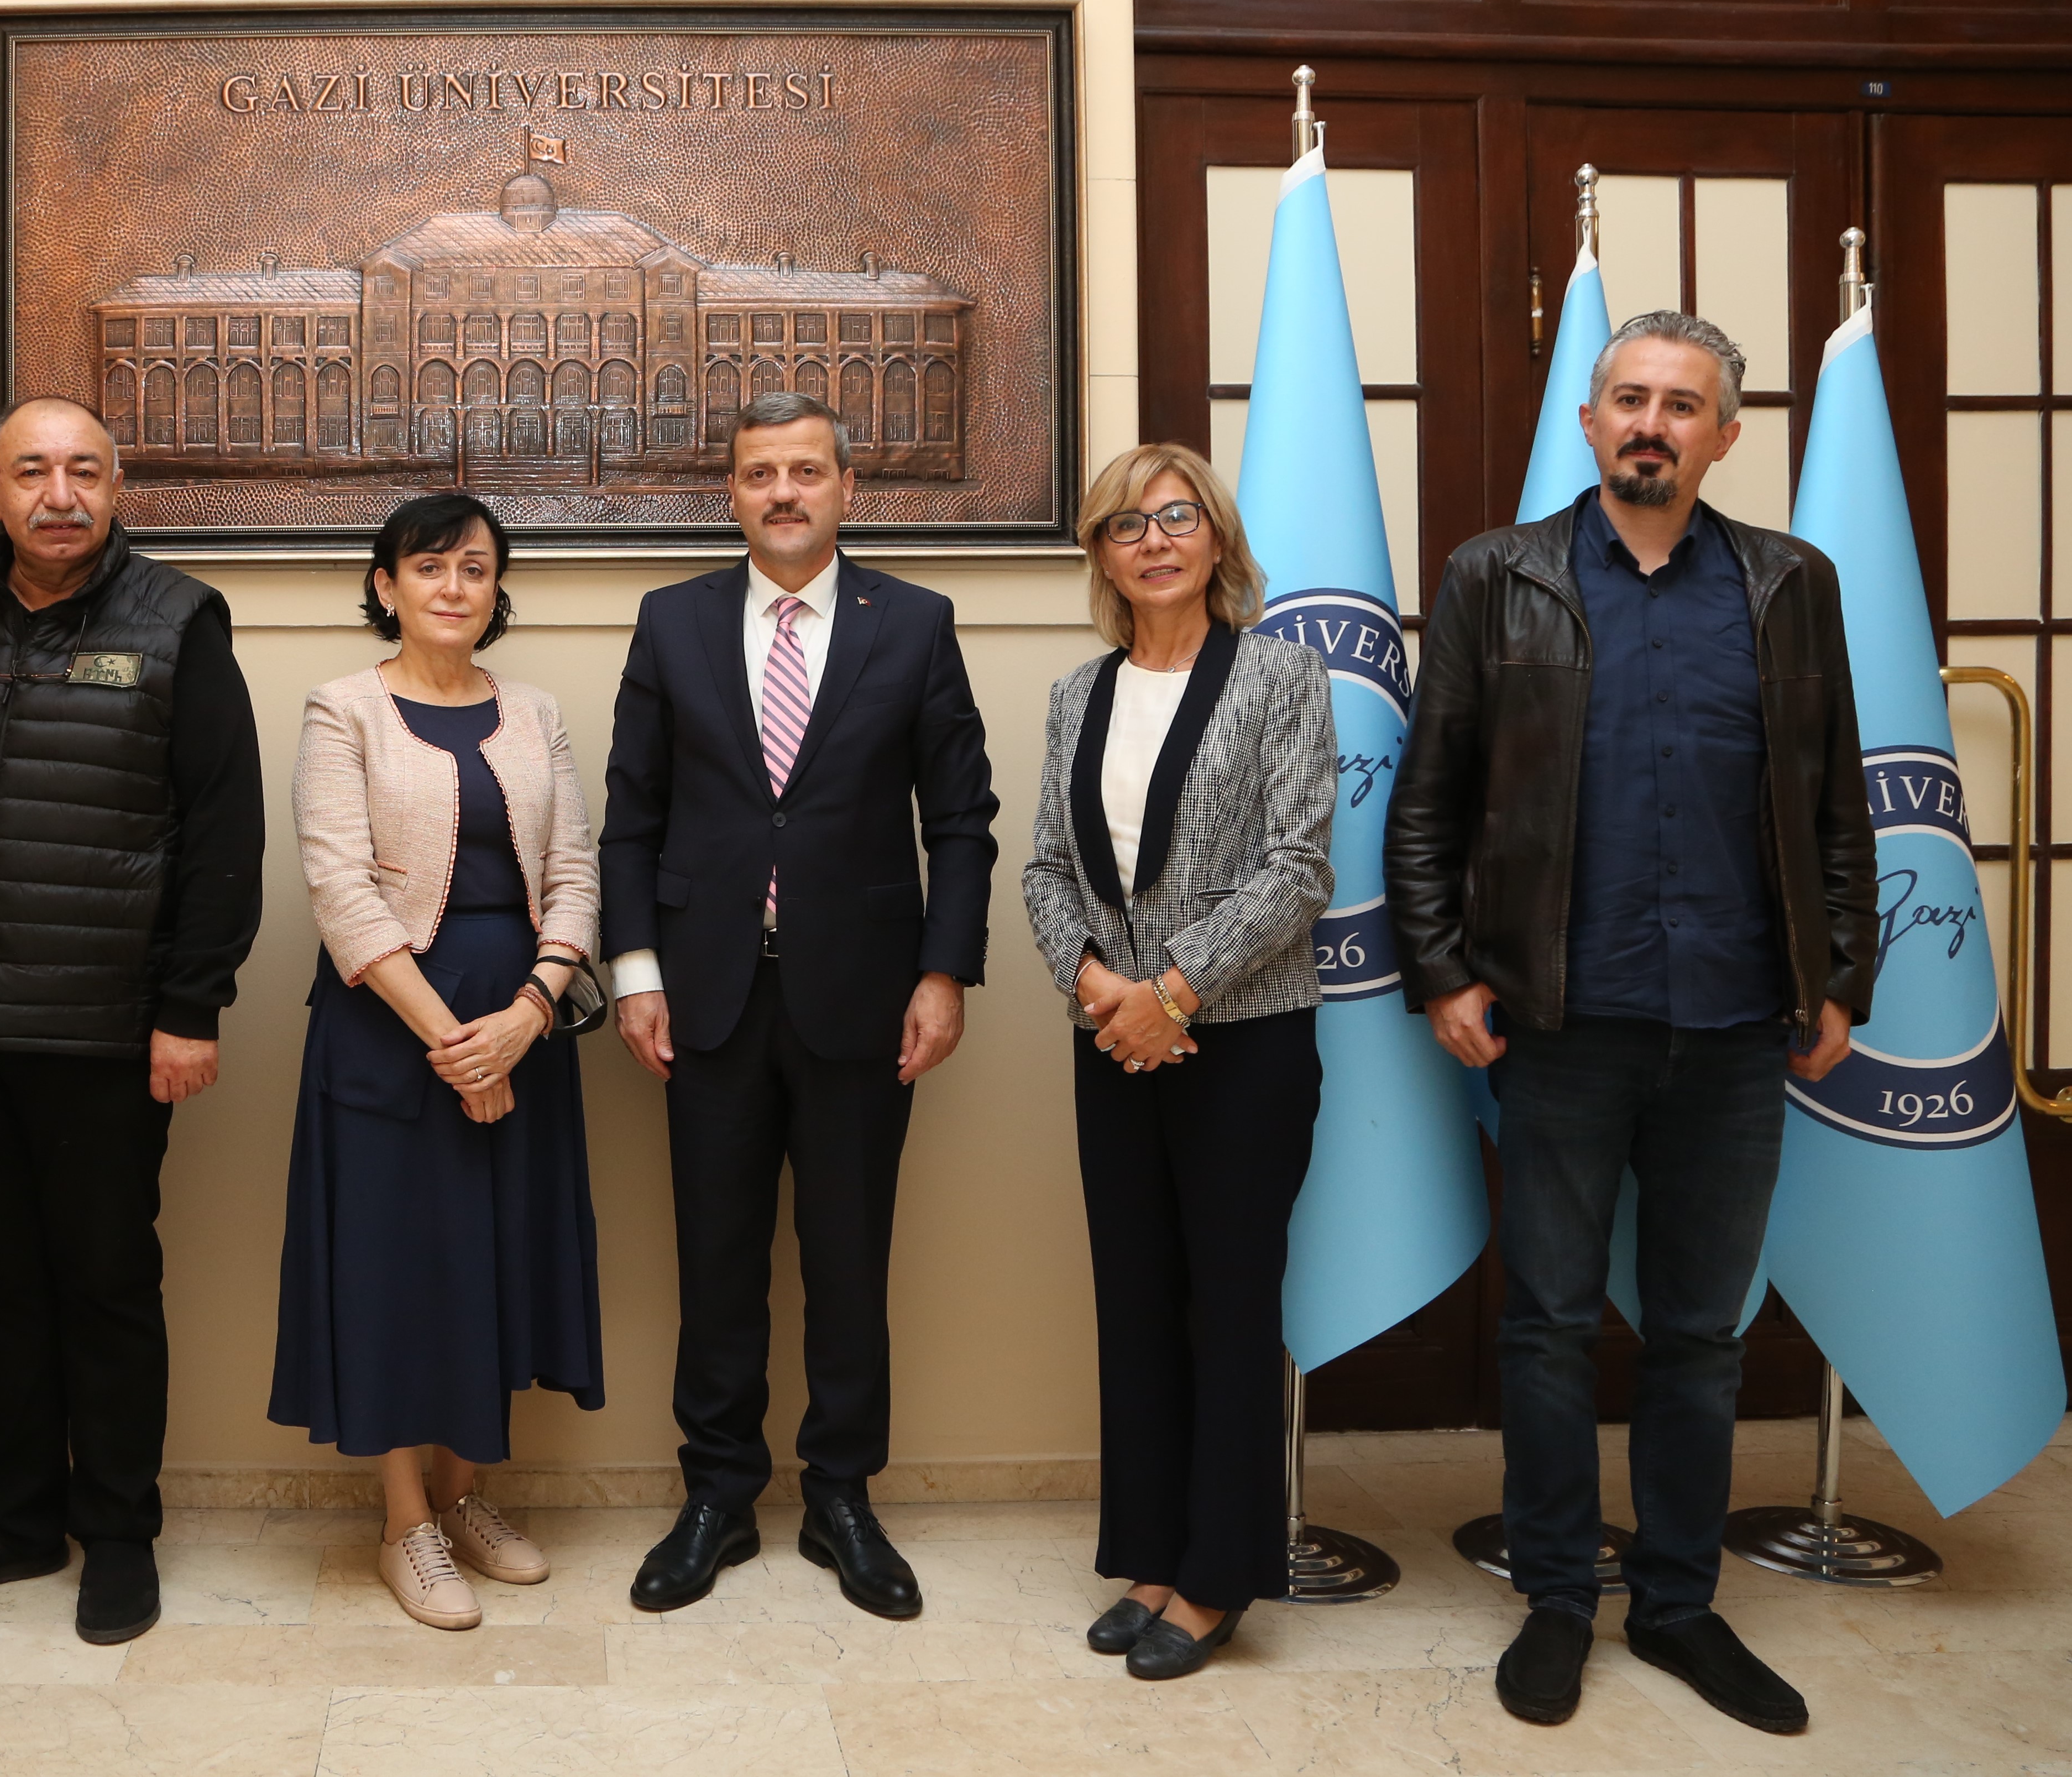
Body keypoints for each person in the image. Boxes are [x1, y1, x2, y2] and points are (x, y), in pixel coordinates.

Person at [1388, 312, 1876, 1738]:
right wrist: (1440, 971)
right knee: (1542, 1327)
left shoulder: (1791, 585)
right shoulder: (1497, 577)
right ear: (1589, 425)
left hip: (1737, 1030)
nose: (1650, 423)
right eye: (1627, 400)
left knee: (1697, 1337)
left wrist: (1841, 978)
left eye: (1682, 404)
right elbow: (1427, 801)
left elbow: (1839, 804)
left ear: (1725, 435)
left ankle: (1675, 1603)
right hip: (1559, 1018)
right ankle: (1554, 1596)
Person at [0, 396, 264, 1646]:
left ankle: (119, 1532)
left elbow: (223, 836)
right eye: (32, 470)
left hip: (103, 1029)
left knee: (103, 1285)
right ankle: (14, 1516)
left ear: (118, 486)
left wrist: (188, 1006)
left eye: (83, 470)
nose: (58, 494)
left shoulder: (177, 622)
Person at [601, 390, 1000, 1622]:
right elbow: (631, 816)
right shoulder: (670, 625)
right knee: (715, 1261)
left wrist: (942, 973)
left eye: (806, 471)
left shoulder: (915, 625)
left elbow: (962, 822)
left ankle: (840, 1497)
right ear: (729, 492)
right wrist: (634, 974)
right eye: (759, 473)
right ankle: (716, 1494)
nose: (783, 492)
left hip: (863, 1000)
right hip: (705, 997)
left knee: (846, 1261)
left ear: (844, 488)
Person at [1020, 443, 1333, 1681]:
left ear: (1214, 538)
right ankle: (1150, 1552)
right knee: (1136, 1301)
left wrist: (1173, 991)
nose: (1152, 540)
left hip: (1242, 1041)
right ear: (1098, 553)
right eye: (1123, 525)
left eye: (1175, 517)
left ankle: (1216, 1577)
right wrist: (1096, 987)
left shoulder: (1277, 677)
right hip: (1111, 1041)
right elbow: (1046, 865)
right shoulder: (1072, 695)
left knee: (1227, 1303)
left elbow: (1297, 867)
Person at [274, 493, 606, 1630]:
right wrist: (457, 1047)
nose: (452, 587)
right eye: (429, 568)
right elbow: (338, 889)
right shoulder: (341, 710)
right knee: (397, 1275)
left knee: (501, 1261)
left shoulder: (535, 713)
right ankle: (404, 1522)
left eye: (474, 568)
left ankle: (469, 1497)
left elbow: (573, 871)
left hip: (524, 1023)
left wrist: (527, 1011)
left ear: (494, 587)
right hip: (389, 1034)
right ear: (386, 586)